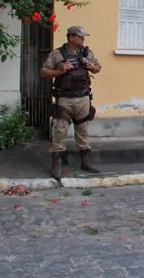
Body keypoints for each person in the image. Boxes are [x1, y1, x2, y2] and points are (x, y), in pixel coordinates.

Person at [41, 25, 102, 179]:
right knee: (60, 130)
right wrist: (60, 71)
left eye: (83, 37)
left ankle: (86, 161)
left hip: (83, 98)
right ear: (71, 37)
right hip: (65, 99)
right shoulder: (57, 54)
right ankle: (56, 164)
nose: (83, 39)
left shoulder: (87, 53)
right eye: (80, 37)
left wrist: (93, 67)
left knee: (83, 131)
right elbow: (44, 72)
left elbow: (98, 67)